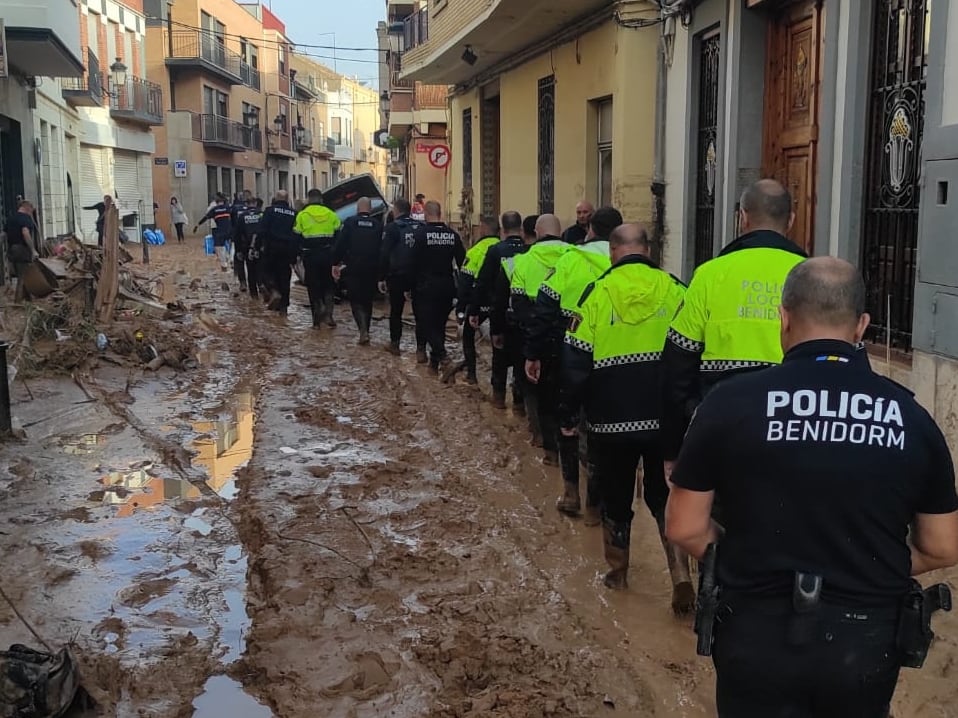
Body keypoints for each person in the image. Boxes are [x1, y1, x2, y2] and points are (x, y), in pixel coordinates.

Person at [665, 257, 958, 717]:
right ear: (861, 326)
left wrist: (747, 561)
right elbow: (942, 547)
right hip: (865, 643)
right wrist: (867, 566)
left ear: (782, 318)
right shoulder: (912, 420)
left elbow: (683, 527)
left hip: (754, 633)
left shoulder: (728, 405)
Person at [559, 224, 693, 612]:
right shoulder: (675, 289)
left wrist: (568, 411)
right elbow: (693, 350)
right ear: (647, 250)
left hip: (610, 423)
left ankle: (618, 573)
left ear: (612, 252)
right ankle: (680, 572)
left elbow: (575, 361)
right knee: (664, 494)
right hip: (664, 421)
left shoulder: (597, 294)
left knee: (617, 497)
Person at [661, 179, 808, 475]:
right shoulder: (810, 275)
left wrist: (676, 443)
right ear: (791, 220)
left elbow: (677, 362)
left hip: (723, 426)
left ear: (742, 218)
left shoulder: (710, 274)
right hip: (795, 427)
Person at [526, 206, 623, 523]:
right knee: (599, 427)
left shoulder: (571, 259)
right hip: (613, 354)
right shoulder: (625, 265)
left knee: (566, 420)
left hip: (567, 348)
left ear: (591, 230)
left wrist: (534, 353)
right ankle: (596, 504)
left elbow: (544, 308)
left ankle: (571, 492)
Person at [504, 214, 573, 461]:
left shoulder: (521, 261)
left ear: (535, 232)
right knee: (569, 388)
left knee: (536, 386)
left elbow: (517, 301)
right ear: (561, 231)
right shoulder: (576, 257)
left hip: (535, 332)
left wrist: (532, 329)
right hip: (571, 332)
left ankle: (544, 442)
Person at [468, 211, 529, 411]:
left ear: (502, 230)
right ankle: (520, 405)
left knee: (500, 358)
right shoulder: (529, 251)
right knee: (521, 361)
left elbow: (482, 283)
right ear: (520, 229)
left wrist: (474, 310)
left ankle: (499, 401)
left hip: (501, 315)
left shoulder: (495, 251)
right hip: (524, 315)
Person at [410, 201, 465, 374]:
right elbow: (463, 261)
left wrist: (408, 287)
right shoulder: (452, 235)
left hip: (425, 286)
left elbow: (411, 262)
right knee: (439, 325)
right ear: (440, 213)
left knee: (426, 324)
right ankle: (434, 366)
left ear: (426, 214)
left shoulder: (420, 234)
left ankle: (443, 358)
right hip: (447, 286)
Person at [456, 215, 501, 384]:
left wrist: (461, 308)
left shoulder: (475, 251)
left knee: (468, 336)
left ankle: (472, 375)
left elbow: (465, 280)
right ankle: (498, 382)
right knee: (499, 341)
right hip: (500, 303)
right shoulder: (503, 248)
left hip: (479, 301)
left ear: (482, 228)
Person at [333, 197, 384, 345]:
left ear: (357, 208)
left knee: (355, 300)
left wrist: (335, 263)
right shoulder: (378, 225)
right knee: (367, 301)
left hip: (354, 267)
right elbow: (382, 250)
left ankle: (363, 330)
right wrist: (382, 273)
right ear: (370, 209)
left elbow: (341, 244)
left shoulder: (350, 222)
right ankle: (365, 330)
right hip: (372, 268)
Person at [379, 198, 425, 357]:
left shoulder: (392, 228)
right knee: (420, 313)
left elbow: (384, 254)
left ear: (396, 211)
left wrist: (381, 277)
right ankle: (421, 350)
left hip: (397, 275)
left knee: (396, 311)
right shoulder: (420, 227)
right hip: (418, 276)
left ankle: (395, 345)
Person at [294, 188, 343, 329]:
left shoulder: (302, 215)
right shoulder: (331, 214)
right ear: (321, 199)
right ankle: (329, 315)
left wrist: (297, 255)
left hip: (310, 256)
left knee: (313, 286)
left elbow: (296, 237)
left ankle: (316, 319)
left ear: (308, 199)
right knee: (329, 285)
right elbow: (339, 235)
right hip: (327, 255)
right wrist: (337, 255)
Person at [258, 190, 299, 315]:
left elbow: (262, 230)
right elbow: (297, 233)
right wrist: (295, 254)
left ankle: (274, 291)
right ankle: (283, 309)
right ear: (287, 200)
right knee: (285, 277)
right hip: (288, 249)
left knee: (266, 272)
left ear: (275, 199)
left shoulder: (269, 211)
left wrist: (258, 246)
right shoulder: (294, 213)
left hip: (271, 247)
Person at [5, 199, 39, 301]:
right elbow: (25, 232)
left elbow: (4, 234)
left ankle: (28, 300)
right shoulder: (25, 218)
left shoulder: (11, 218)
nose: (31, 213)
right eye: (31, 210)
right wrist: (33, 250)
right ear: (27, 207)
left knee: (23, 275)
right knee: (22, 278)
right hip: (22, 250)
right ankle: (18, 302)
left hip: (12, 250)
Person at [194, 192, 233, 271]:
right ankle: (231, 258)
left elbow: (205, 218)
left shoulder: (214, 209)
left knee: (218, 247)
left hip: (220, 231)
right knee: (232, 244)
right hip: (230, 230)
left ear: (216, 202)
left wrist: (197, 225)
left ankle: (224, 263)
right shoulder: (228, 207)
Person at [236, 195, 264, 298]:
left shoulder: (242, 216)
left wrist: (238, 250)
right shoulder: (261, 214)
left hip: (247, 247)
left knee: (250, 270)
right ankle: (261, 284)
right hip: (260, 246)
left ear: (246, 204)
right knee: (261, 267)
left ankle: (254, 295)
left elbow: (237, 234)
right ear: (256, 203)